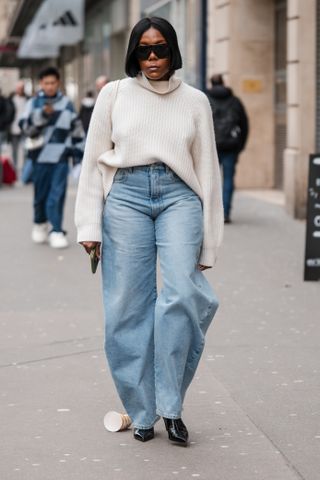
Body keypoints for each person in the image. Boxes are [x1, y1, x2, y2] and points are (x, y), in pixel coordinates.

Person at [75, 17, 223, 445]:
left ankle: (170, 406)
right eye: (144, 50)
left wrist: (209, 241)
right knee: (126, 306)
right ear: (133, 53)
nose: (153, 58)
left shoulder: (195, 101)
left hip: (180, 195)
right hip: (125, 196)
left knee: (182, 294)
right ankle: (142, 411)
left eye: (160, 49)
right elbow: (92, 160)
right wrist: (89, 225)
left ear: (173, 50)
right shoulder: (113, 94)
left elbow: (209, 172)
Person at [19, 66, 84, 248]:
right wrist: (42, 116)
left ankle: (56, 229)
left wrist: (79, 157)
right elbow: (25, 128)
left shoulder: (67, 103)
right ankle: (40, 223)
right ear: (41, 84)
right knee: (40, 195)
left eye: (52, 82)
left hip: (60, 158)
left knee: (57, 195)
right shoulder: (34, 103)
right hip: (39, 158)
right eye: (46, 83)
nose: (49, 86)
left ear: (58, 83)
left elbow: (77, 130)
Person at [207, 74, 249, 223]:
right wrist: (240, 146)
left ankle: (210, 213)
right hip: (231, 146)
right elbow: (244, 125)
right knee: (228, 179)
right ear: (224, 83)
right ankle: (225, 212)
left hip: (210, 145)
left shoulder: (205, 99)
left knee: (209, 180)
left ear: (211, 84)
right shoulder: (235, 101)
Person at [10, 80, 28, 169]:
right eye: (18, 88)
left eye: (22, 88)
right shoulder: (11, 100)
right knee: (14, 149)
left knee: (25, 149)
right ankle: (14, 167)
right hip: (14, 128)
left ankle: (24, 168)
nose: (20, 90)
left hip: (25, 128)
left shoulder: (28, 99)